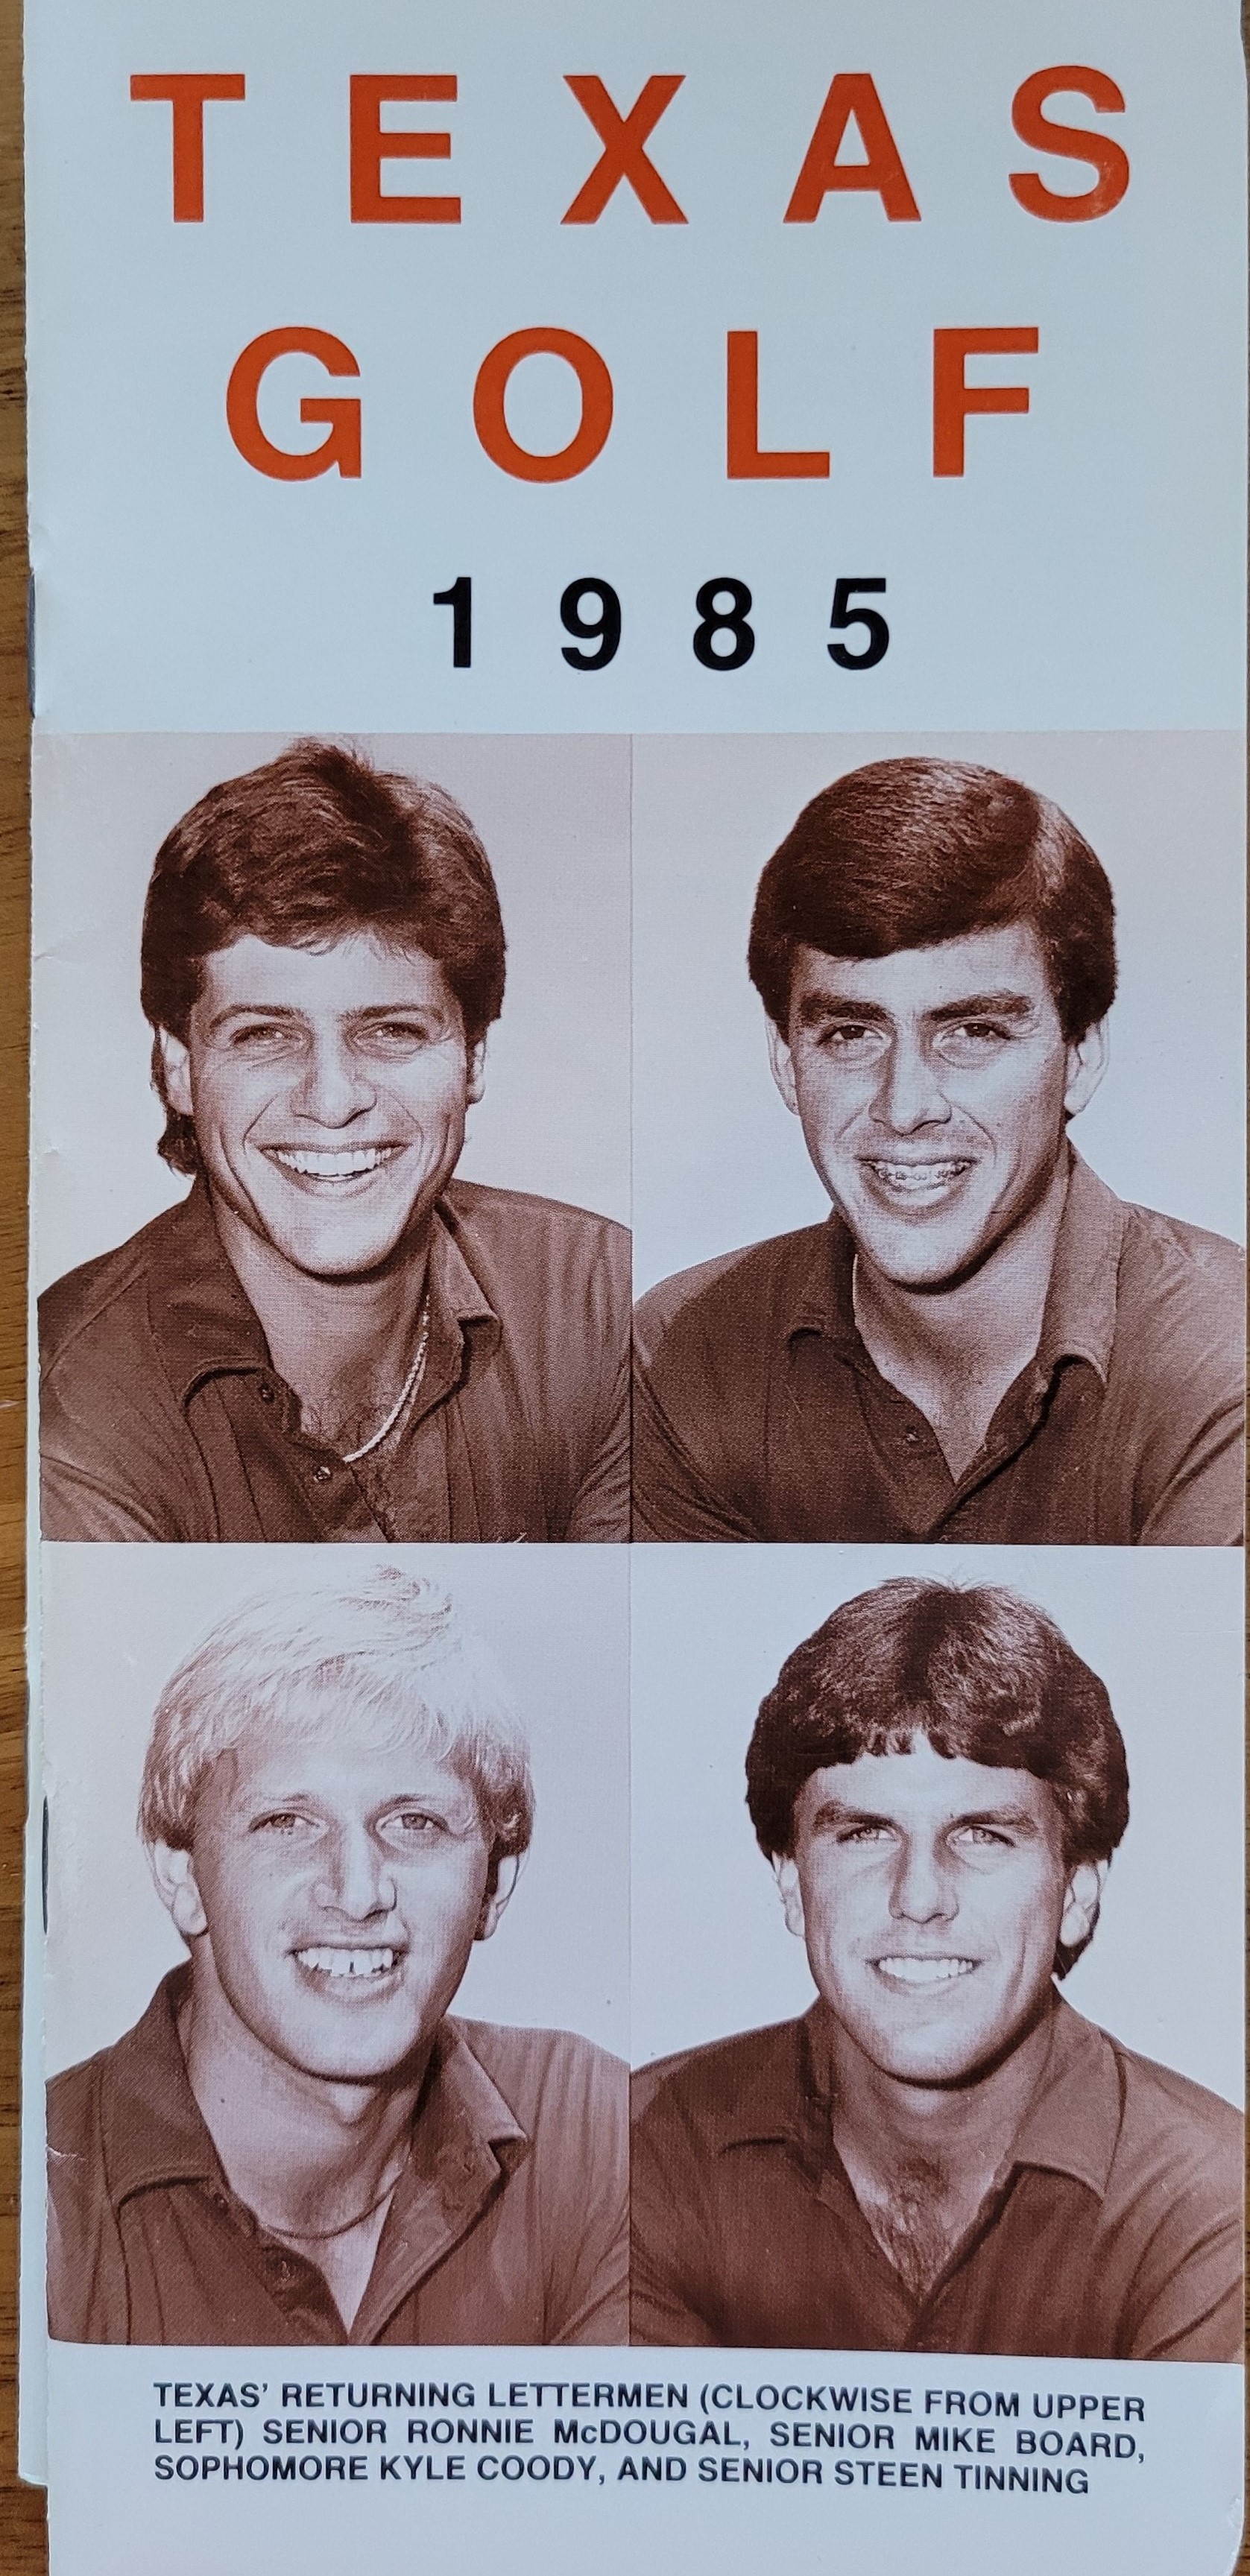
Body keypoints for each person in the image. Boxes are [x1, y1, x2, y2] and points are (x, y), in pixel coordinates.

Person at [633, 759, 1243, 1543]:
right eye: (851, 1033)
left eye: (973, 1032)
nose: (905, 1106)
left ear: (1080, 1055)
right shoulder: (686, 1348)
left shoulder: (1226, 1358)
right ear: (788, 1062)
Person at [630, 1579, 1243, 2358]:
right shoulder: (645, 2145)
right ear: (792, 1884)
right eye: (865, 1833)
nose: (918, 1897)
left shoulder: (1208, 2200)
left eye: (983, 1834)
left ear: (1078, 1893)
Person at [40, 739, 629, 1542]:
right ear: (179, 1065)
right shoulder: (69, 1397)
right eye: (264, 1035)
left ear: (473, 1056)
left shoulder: (598, 1302)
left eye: (390, 1030)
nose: (332, 1099)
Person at [48, 1569, 628, 2345]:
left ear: (493, 1882)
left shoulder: (590, 2127)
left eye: (414, 1822)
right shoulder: (48, 2192)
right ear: (180, 1874)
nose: (357, 1892)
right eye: (288, 1821)